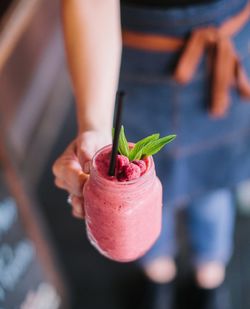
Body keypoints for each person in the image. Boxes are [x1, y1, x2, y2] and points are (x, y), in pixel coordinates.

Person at [53, 0, 250, 292]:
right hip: (136, 58)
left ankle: (210, 275)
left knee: (214, 184)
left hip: (230, 46)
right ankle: (157, 273)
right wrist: (95, 128)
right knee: (141, 199)